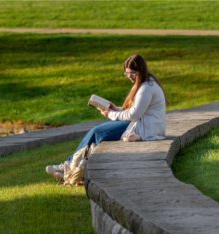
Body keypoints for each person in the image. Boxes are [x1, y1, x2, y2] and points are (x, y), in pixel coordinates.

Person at [46, 54, 167, 183]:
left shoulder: (146, 88)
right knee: (97, 131)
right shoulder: (145, 83)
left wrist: (110, 114)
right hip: (141, 123)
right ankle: (69, 166)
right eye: (127, 73)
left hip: (145, 128)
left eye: (133, 73)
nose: (130, 76)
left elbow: (134, 114)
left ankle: (68, 167)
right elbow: (136, 111)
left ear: (141, 71)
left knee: (98, 132)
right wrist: (116, 109)